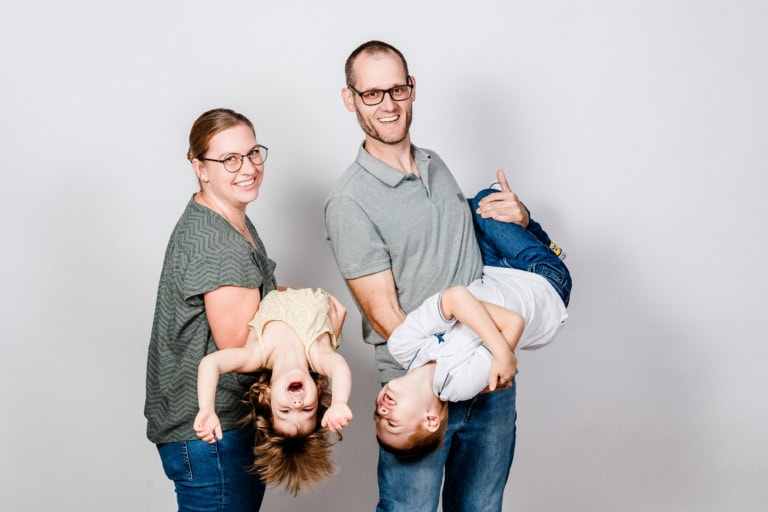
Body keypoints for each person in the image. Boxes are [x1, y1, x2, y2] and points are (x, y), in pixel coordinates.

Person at [324, 40, 535, 511]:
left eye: (396, 89)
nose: (388, 104)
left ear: (412, 89)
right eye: (372, 93)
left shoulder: (434, 164)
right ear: (350, 99)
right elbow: (385, 315)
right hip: (417, 396)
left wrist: (519, 221)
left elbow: (471, 252)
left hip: (489, 383)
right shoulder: (350, 201)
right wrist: (441, 387)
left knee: (482, 508)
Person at [145, 108, 277, 511]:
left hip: (209, 432)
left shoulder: (226, 215)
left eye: (253, 153)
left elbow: (254, 299)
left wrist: (302, 299)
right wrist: (311, 323)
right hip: (212, 434)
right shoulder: (219, 245)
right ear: (200, 167)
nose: (248, 168)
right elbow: (242, 349)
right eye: (230, 160)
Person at [375, 185, 572, 454]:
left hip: (494, 273)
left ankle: (534, 238)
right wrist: (465, 310)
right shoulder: (460, 386)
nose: (382, 411)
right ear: (431, 420)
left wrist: (503, 354)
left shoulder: (401, 345)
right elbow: (512, 322)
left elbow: (456, 296)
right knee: (484, 201)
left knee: (457, 212)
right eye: (391, 423)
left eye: (377, 417)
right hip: (543, 282)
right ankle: (547, 246)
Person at [194, 287, 353, 496]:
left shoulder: (255, 355)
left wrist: (206, 408)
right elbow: (339, 367)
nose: (296, 405)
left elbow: (211, 363)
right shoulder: (318, 354)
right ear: (317, 389)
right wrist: (339, 402)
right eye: (307, 410)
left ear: (266, 395)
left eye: (284, 412)